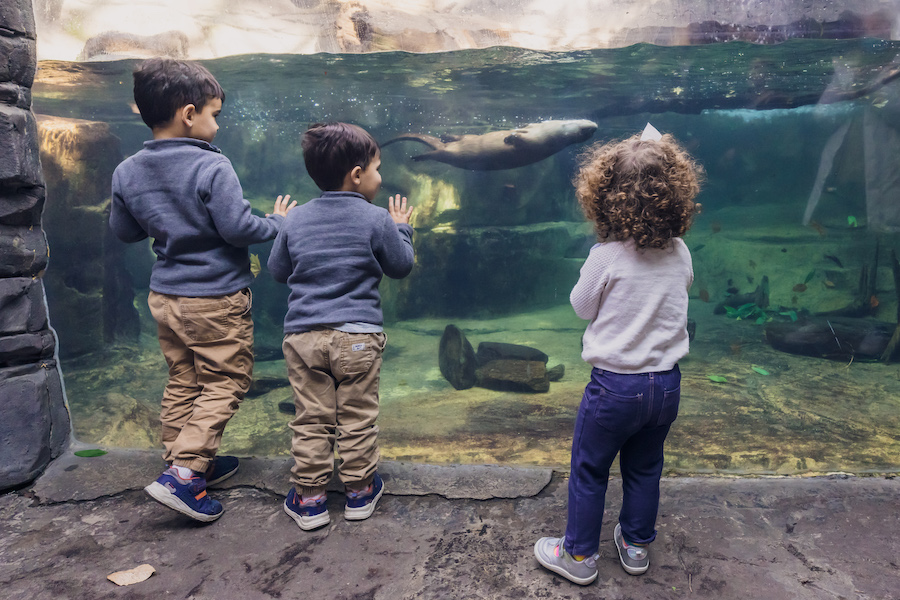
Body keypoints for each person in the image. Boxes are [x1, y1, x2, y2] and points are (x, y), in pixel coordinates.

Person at [109, 58, 295, 523]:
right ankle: (187, 475)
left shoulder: (127, 170)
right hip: (214, 299)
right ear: (189, 114)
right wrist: (277, 223)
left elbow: (125, 231)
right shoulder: (212, 166)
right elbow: (237, 229)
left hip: (165, 297)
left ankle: (183, 462)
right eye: (214, 113)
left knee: (184, 379)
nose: (216, 123)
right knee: (226, 381)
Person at [534, 126, 701, 585]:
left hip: (614, 388)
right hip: (666, 385)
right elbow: (678, 292)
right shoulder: (681, 252)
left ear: (604, 198)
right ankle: (634, 546)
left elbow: (581, 307)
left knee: (589, 469)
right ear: (676, 195)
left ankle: (579, 557)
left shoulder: (606, 257)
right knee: (645, 468)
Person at [267, 122, 415, 531]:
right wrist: (401, 227)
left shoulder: (296, 221)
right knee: (357, 416)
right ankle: (360, 492)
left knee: (312, 417)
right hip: (358, 339)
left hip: (304, 337)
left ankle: (312, 499)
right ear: (356, 174)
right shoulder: (375, 219)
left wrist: (282, 226)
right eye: (377, 168)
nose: (380, 177)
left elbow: (278, 272)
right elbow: (400, 266)